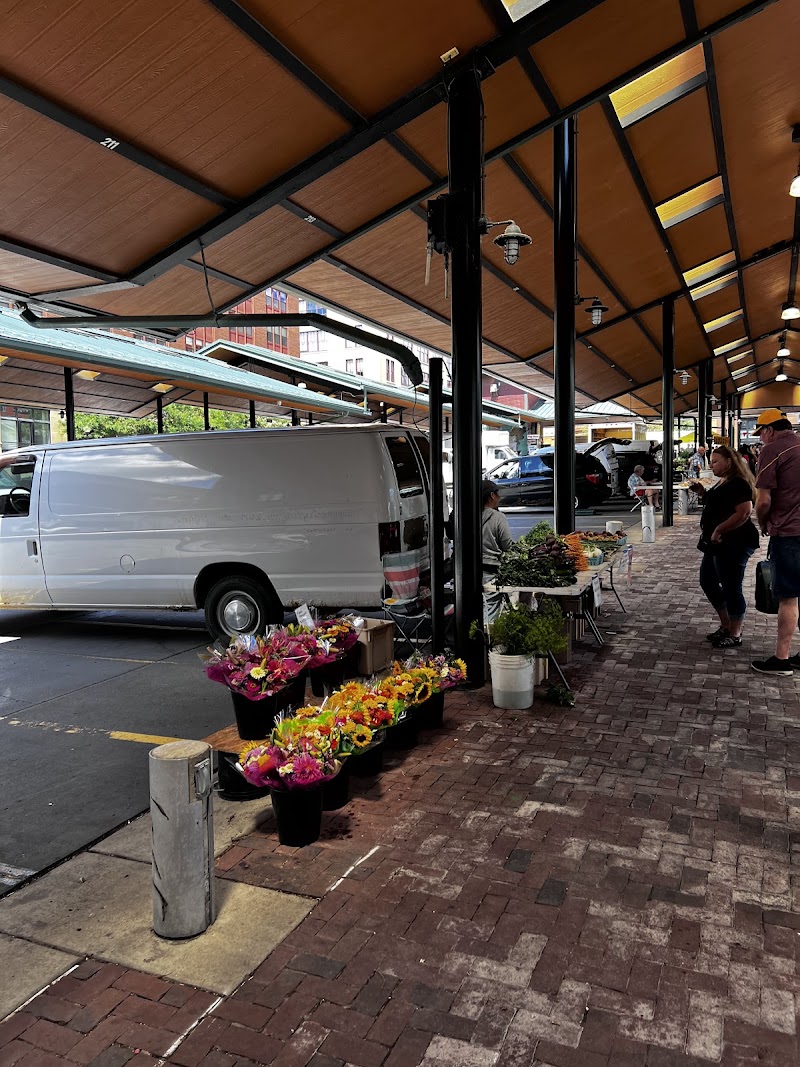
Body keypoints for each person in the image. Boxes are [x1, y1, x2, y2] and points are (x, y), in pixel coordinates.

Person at [689, 446, 758, 649]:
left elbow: (744, 512)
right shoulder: (724, 481)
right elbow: (718, 504)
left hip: (734, 542)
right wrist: (701, 492)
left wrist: (719, 529)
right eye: (711, 461)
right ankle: (726, 624)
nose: (711, 465)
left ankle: (735, 633)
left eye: (715, 461)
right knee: (708, 581)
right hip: (716, 543)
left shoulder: (738, 483)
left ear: (729, 461)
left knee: (731, 586)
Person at [750, 409, 800, 675]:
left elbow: (764, 499)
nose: (762, 440)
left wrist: (763, 523)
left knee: (788, 597)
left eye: (761, 434)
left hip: (790, 532)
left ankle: (781, 659)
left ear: (769, 430)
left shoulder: (772, 451)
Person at [482, 479, 513, 621]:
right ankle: (486, 640)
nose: (499, 498)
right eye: (497, 494)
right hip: (490, 571)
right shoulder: (498, 517)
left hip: (468, 572)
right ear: (492, 496)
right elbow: (508, 546)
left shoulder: (467, 515)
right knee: (491, 608)